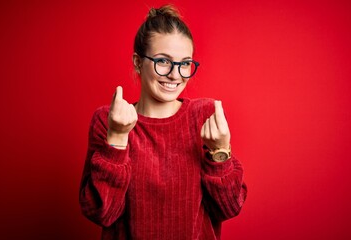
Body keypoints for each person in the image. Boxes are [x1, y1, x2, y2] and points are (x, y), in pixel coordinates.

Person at [79, 4, 247, 240]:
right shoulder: (108, 120)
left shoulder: (205, 115)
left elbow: (229, 207)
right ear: (138, 62)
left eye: (185, 63)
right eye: (163, 61)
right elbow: (101, 212)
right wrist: (117, 138)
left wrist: (219, 153)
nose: (176, 75)